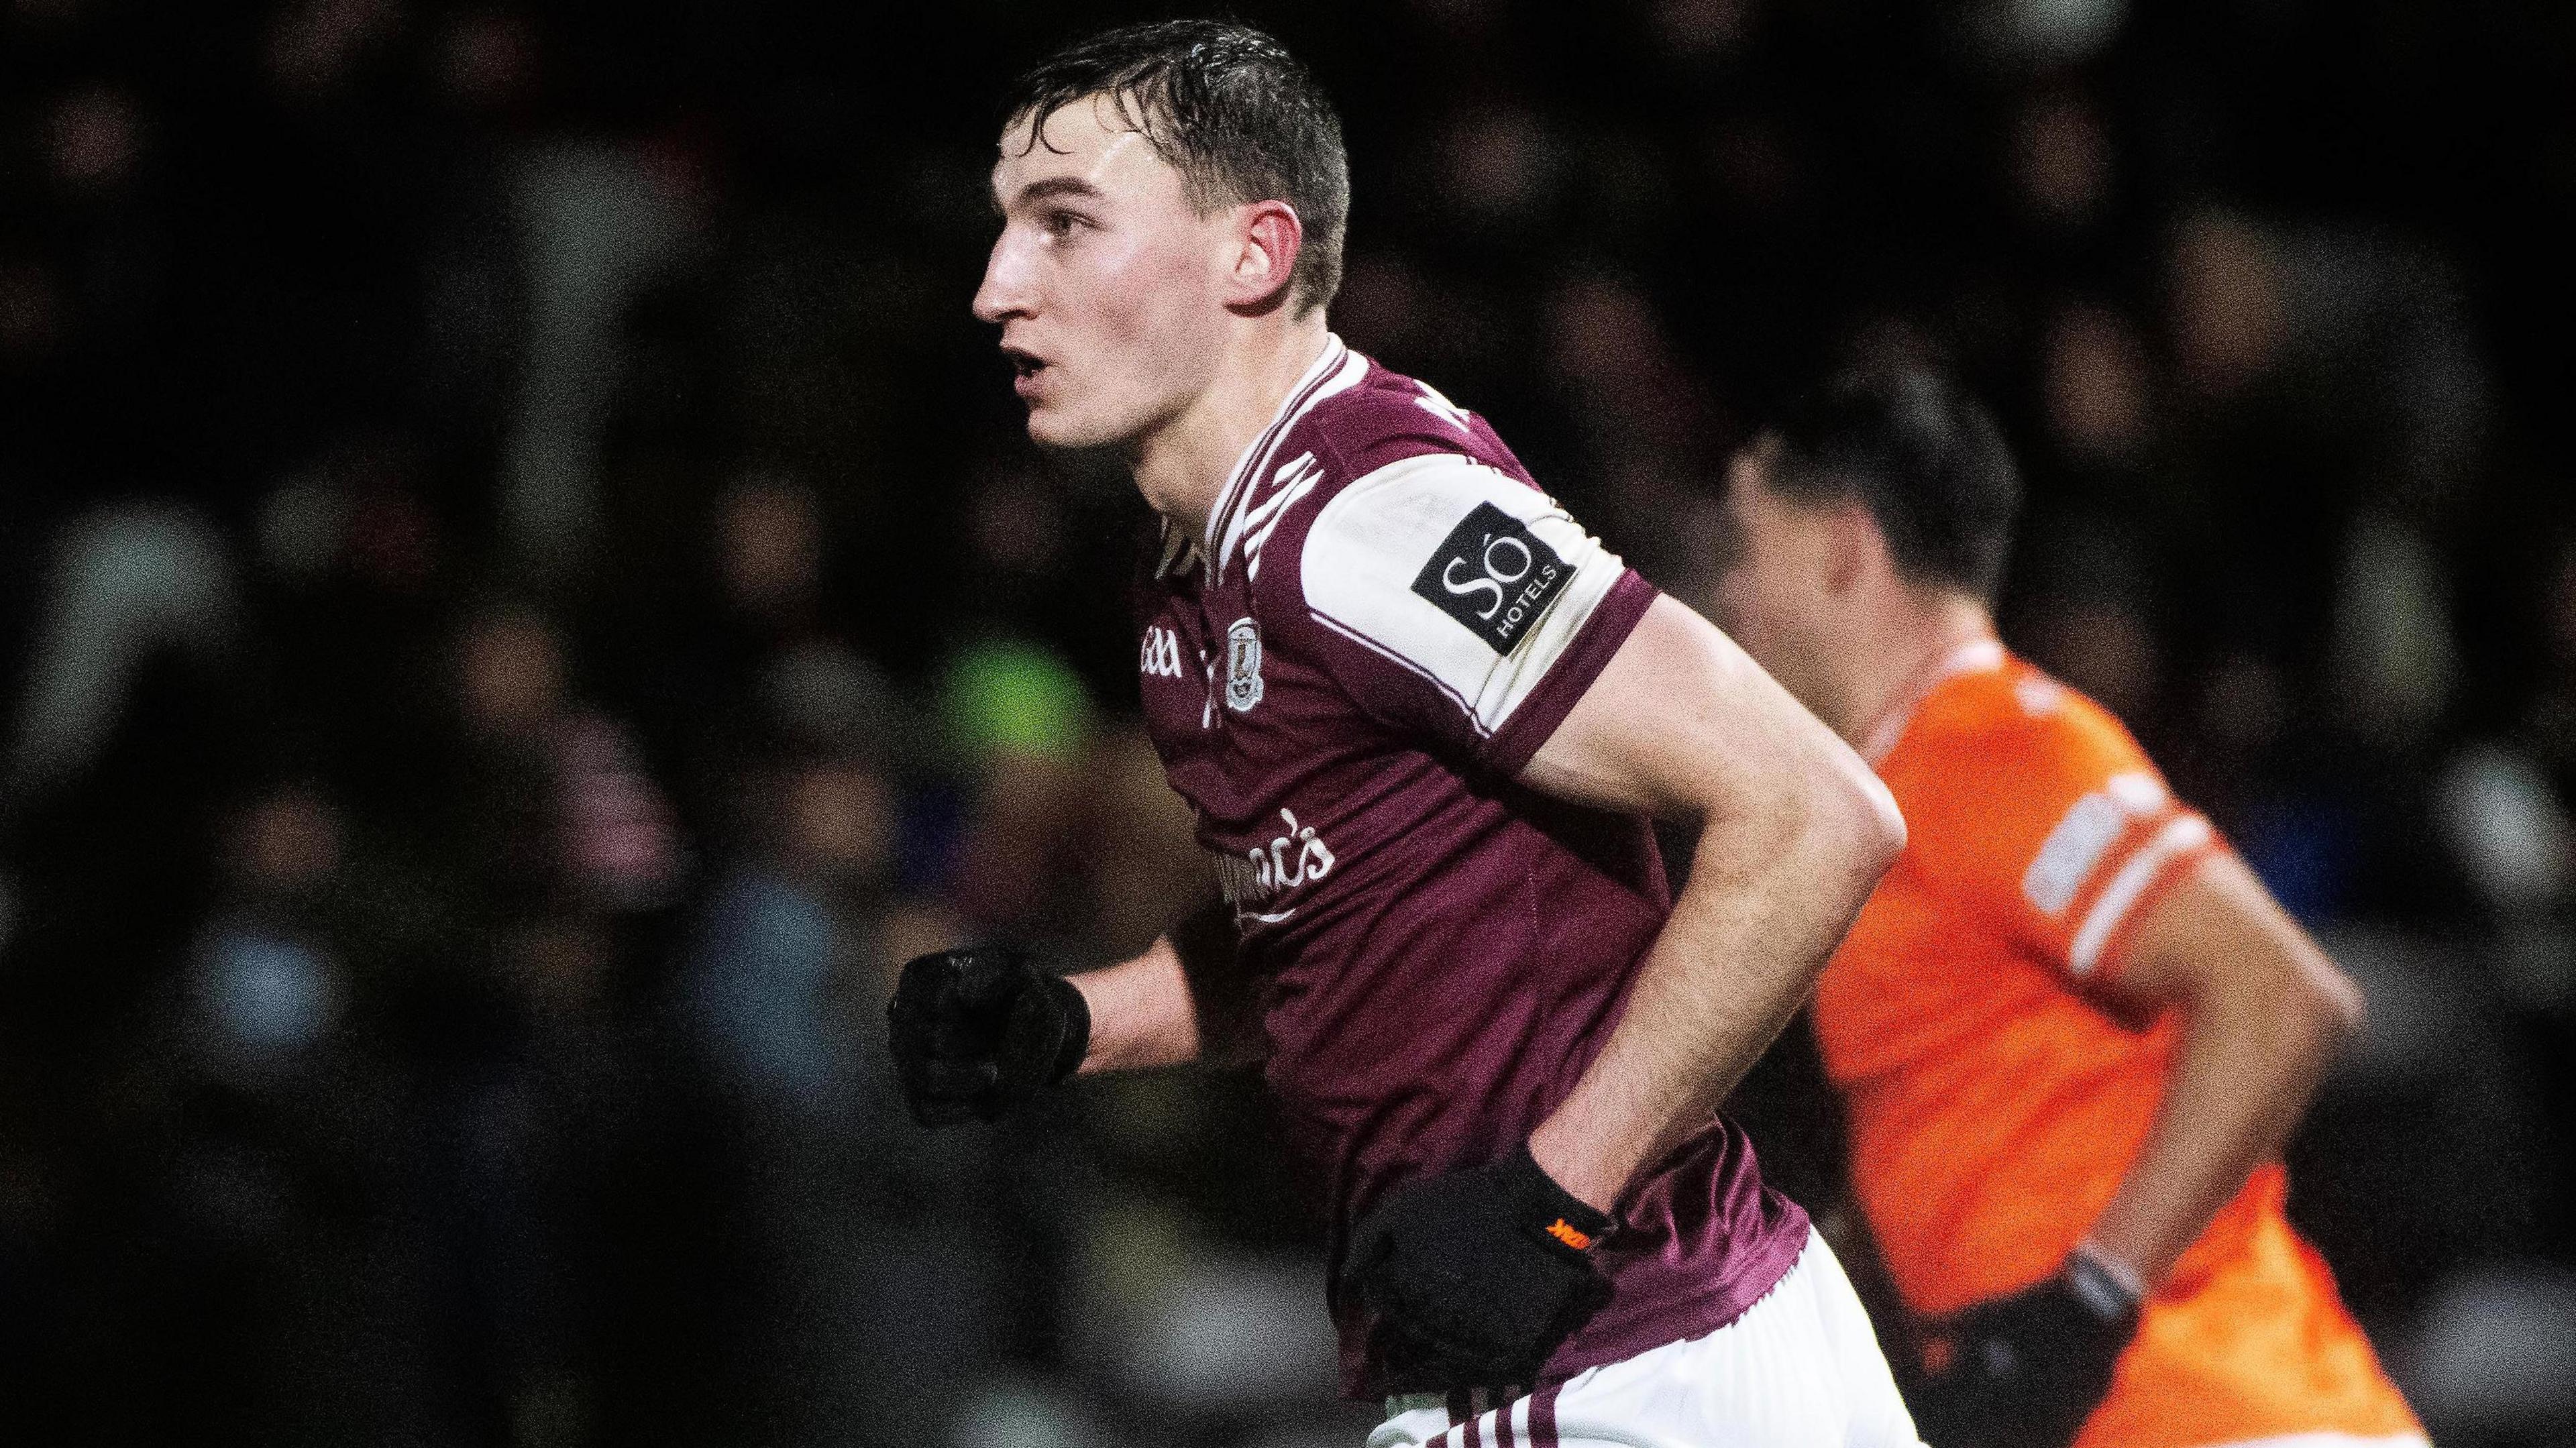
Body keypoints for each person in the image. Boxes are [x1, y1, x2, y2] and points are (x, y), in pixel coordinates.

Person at [888, 19, 1919, 1447]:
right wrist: (1084, 1019)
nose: (999, 286)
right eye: (1004, 228)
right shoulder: (1196, 572)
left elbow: (1817, 816)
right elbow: (1347, 925)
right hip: (1556, 1368)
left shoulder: (1367, 515)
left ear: (1252, 255)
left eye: (1065, 226)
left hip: (1637, 1368)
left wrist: (1557, 1201)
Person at [1699, 368, 2426, 1448]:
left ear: (1845, 545)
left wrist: (2088, 1303)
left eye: (1751, 548)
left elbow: (2283, 992)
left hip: (2215, 1409)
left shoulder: (2001, 745)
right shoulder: (1911, 778)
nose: (1732, 596)